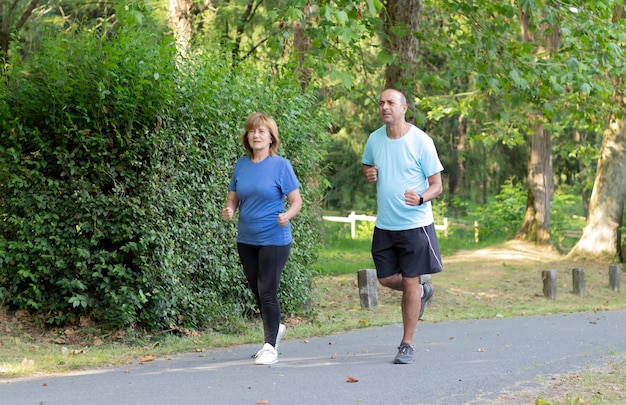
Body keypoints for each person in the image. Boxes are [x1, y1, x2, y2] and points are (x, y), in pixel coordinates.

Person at [361, 88, 444, 364]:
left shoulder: (421, 141)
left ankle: (406, 343)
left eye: (391, 103)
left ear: (404, 107)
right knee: (385, 278)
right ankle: (422, 292)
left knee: (409, 281)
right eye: (381, 102)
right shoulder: (374, 139)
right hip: (385, 224)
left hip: (415, 225)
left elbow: (437, 186)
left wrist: (421, 198)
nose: (385, 107)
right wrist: (369, 172)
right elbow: (367, 165)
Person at [222, 113, 302, 365]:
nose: (256, 135)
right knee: (257, 290)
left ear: (271, 138)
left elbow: (296, 201)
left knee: (267, 290)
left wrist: (286, 215)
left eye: (262, 132)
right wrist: (230, 210)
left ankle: (270, 346)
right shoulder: (241, 165)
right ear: (247, 136)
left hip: (274, 238)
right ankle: (275, 329)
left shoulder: (281, 166)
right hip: (247, 238)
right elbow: (233, 196)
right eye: (252, 131)